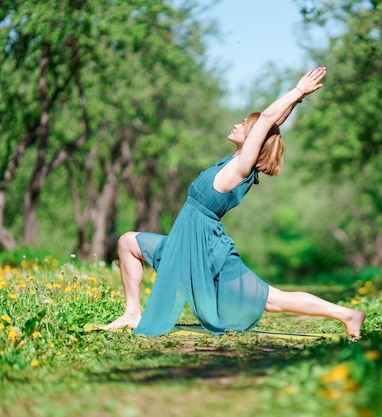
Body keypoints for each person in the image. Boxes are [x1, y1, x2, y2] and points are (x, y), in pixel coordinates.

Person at [104, 67, 366, 340]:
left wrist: (298, 90)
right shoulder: (232, 161)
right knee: (128, 242)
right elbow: (271, 125)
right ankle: (132, 313)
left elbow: (266, 121)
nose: (236, 125)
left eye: (243, 124)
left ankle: (347, 315)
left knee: (271, 301)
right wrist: (296, 101)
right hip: (185, 243)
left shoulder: (240, 168)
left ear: (254, 138)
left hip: (208, 249)